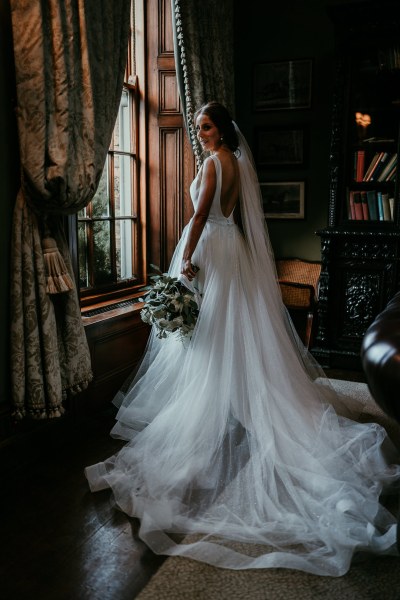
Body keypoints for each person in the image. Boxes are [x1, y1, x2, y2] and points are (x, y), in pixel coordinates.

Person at [85, 101, 400, 576]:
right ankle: (231, 403)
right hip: (231, 247)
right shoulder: (237, 162)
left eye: (206, 126)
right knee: (225, 330)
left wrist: (185, 260)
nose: (201, 133)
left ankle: (214, 410)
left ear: (223, 130)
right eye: (197, 127)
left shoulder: (216, 162)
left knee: (209, 334)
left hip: (211, 246)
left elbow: (197, 218)